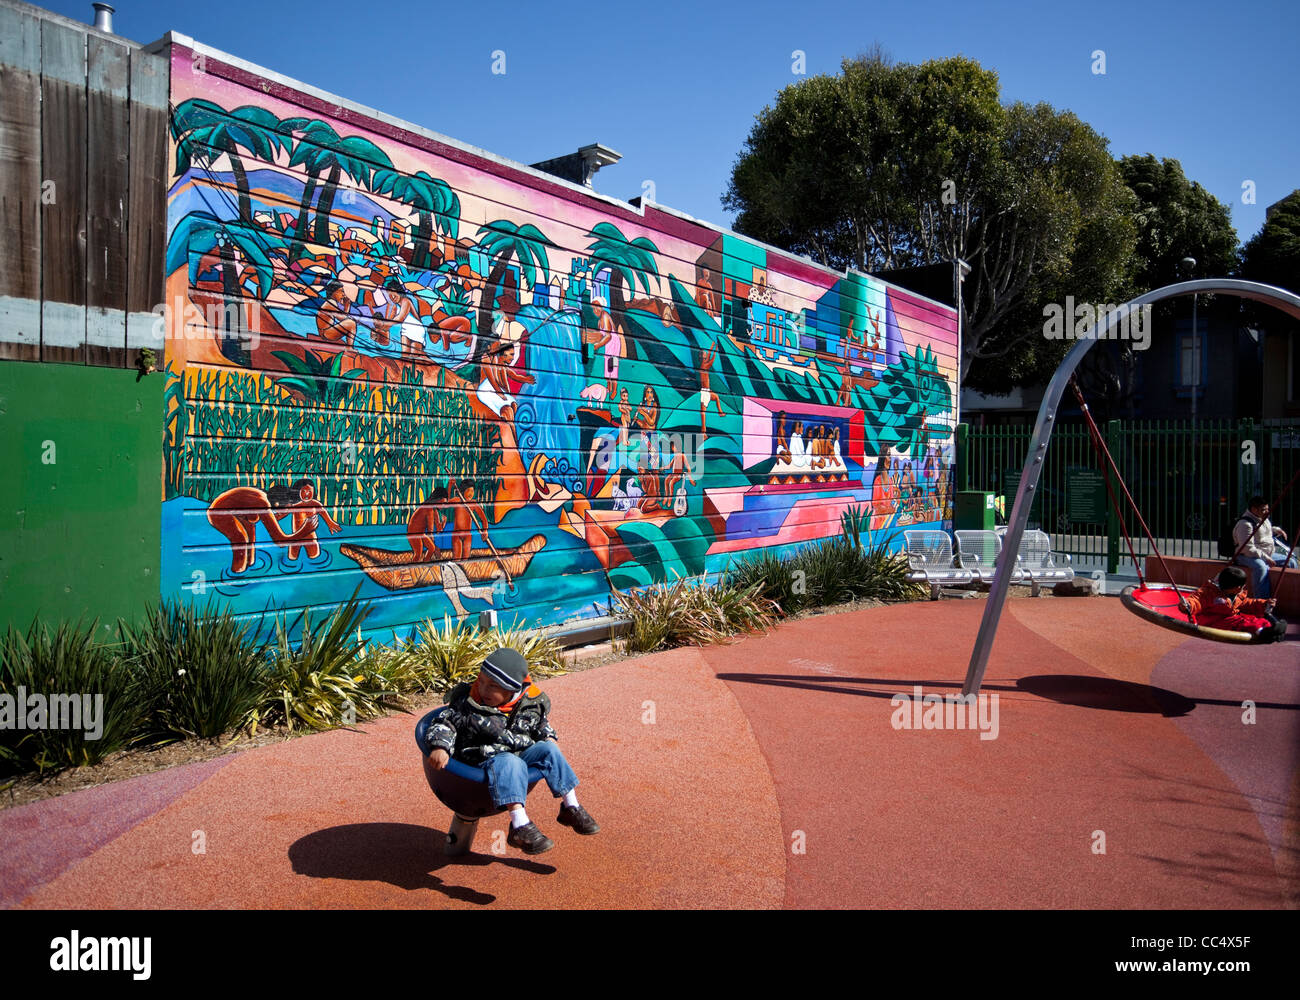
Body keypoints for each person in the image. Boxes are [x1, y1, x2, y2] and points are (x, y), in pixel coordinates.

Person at [424, 647, 599, 855]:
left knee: (548, 749)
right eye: (481, 682)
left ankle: (571, 807)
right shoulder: (467, 702)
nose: (483, 690)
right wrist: (440, 746)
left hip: (517, 758)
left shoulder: (529, 703)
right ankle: (519, 824)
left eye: (493, 686)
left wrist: (548, 736)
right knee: (510, 761)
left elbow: (540, 725)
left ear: (511, 690)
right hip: (478, 761)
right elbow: (445, 722)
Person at [1182, 565, 1287, 642]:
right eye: (1242, 586)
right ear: (1237, 587)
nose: (1243, 589)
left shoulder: (1237, 595)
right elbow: (1196, 600)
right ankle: (1261, 631)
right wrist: (1188, 605)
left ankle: (1271, 629)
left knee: (1251, 619)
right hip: (1213, 621)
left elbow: (1247, 603)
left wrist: (1264, 604)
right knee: (1241, 623)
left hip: (1230, 617)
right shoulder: (1209, 592)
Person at [1232, 495, 1297, 599]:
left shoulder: (1262, 518)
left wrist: (1275, 530)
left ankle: (1290, 595)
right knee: (1260, 567)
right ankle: (1262, 601)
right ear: (1254, 509)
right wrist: (1266, 558)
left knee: (1291, 561)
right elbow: (1247, 548)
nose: (1267, 512)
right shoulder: (1245, 524)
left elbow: (1264, 529)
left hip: (1266, 553)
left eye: (1267, 509)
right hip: (1246, 556)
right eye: (1263, 510)